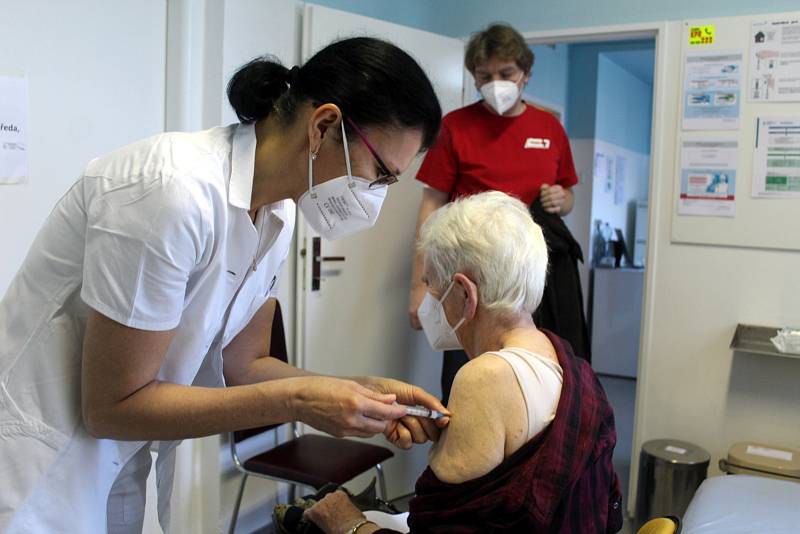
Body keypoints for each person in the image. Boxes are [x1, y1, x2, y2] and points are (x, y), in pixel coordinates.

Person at [0, 37, 449, 533]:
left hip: (116, 461)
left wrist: (351, 393)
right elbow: (112, 405)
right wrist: (302, 402)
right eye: (379, 174)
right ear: (324, 125)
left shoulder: (278, 213)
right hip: (36, 463)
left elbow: (243, 363)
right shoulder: (171, 191)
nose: (375, 196)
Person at [307, 192, 622, 534]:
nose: (429, 304)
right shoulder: (566, 358)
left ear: (463, 293)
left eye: (432, 286)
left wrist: (349, 524)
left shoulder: (484, 377)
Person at [407, 23, 588, 405]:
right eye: (484, 76)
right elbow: (431, 206)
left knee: (534, 378)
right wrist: (419, 286)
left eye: (506, 74)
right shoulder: (454, 127)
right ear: (473, 76)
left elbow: (567, 195)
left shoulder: (549, 128)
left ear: (525, 74)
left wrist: (562, 199)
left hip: (532, 278)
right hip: (468, 276)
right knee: (466, 381)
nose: (496, 83)